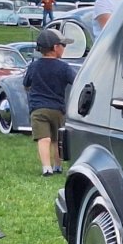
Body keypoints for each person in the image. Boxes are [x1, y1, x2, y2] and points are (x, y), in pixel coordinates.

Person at [23, 27, 77, 176]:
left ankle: (46, 168)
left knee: (43, 138)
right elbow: (76, 81)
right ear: (55, 47)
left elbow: (26, 84)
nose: (64, 48)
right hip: (57, 109)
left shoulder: (33, 66)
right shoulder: (64, 67)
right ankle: (58, 166)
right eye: (63, 45)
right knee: (57, 139)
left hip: (38, 109)